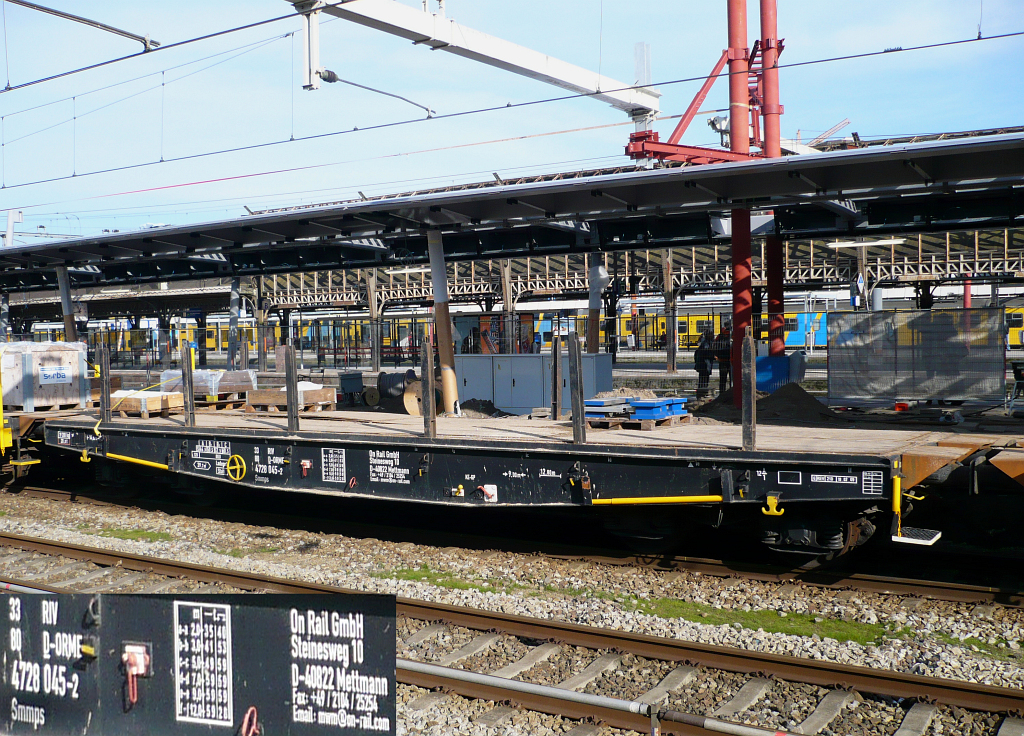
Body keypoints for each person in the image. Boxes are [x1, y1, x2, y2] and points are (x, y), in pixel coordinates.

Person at [693, 330, 714, 399]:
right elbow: (706, 353)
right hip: (705, 365)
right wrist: (713, 357)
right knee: (704, 380)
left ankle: (701, 394)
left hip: (702, 365)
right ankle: (702, 394)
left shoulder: (704, 343)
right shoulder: (706, 344)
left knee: (702, 380)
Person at [713, 324, 732, 396]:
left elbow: (714, 346)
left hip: (722, 360)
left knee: (722, 379)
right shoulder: (732, 336)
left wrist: (716, 355)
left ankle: (722, 393)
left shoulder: (719, 336)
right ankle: (732, 392)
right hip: (731, 360)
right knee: (732, 378)